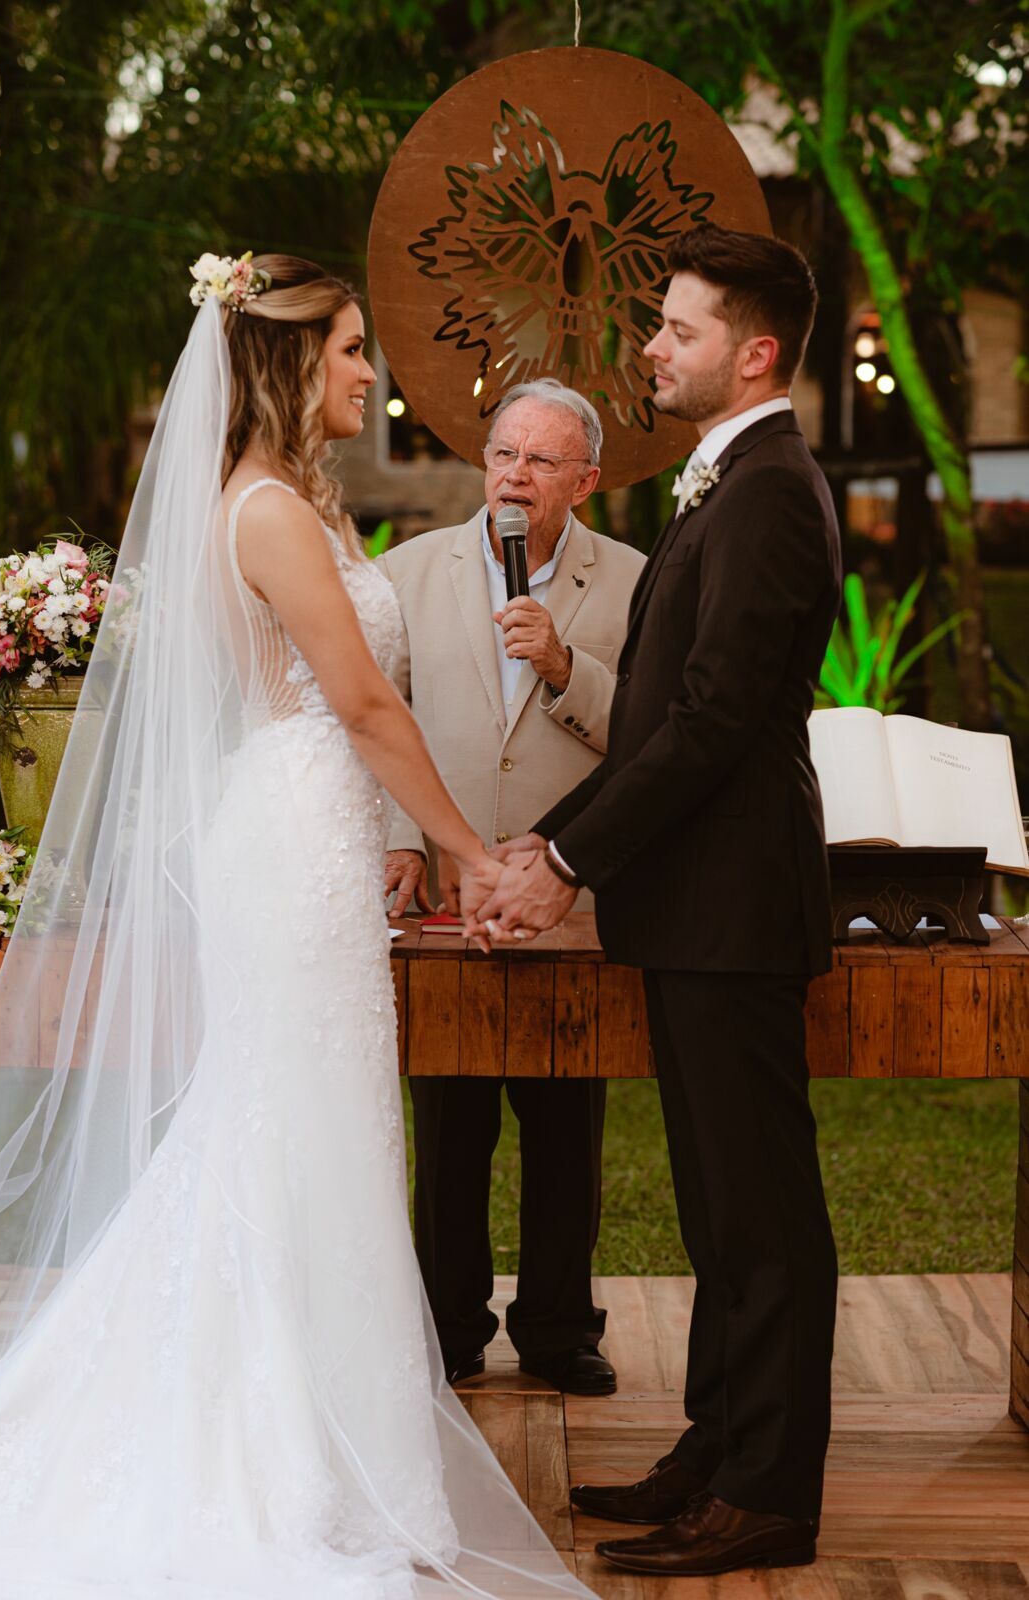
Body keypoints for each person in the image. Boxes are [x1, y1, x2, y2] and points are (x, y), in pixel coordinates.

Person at [0, 252, 596, 1600]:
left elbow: (337, 708)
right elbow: (363, 706)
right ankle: (279, 1457)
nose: (373, 374)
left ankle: (321, 1430)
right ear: (289, 360)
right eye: (355, 349)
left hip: (315, 835)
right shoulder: (267, 513)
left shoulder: (303, 502)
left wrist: (394, 846)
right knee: (290, 1124)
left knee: (320, 1130)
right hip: (291, 842)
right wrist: (471, 851)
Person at [464, 222, 842, 1579]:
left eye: (678, 329)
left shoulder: (770, 491)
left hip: (735, 909)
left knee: (765, 1219)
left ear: (750, 351)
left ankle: (770, 1497)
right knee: (717, 1208)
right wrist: (556, 844)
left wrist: (561, 862)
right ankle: (714, 1454)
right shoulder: (727, 484)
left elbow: (714, 721)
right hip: (695, 908)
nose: (652, 347)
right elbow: (661, 735)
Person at [378, 379, 645, 1394]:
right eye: (502, 455)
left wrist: (568, 664)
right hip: (446, 890)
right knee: (448, 1121)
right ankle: (446, 1323)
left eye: (540, 462)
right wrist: (404, 837)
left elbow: (653, 740)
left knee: (567, 1120)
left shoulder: (632, 580)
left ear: (586, 477)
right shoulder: (408, 572)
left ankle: (559, 1325)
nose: (515, 478)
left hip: (564, 893)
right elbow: (379, 720)